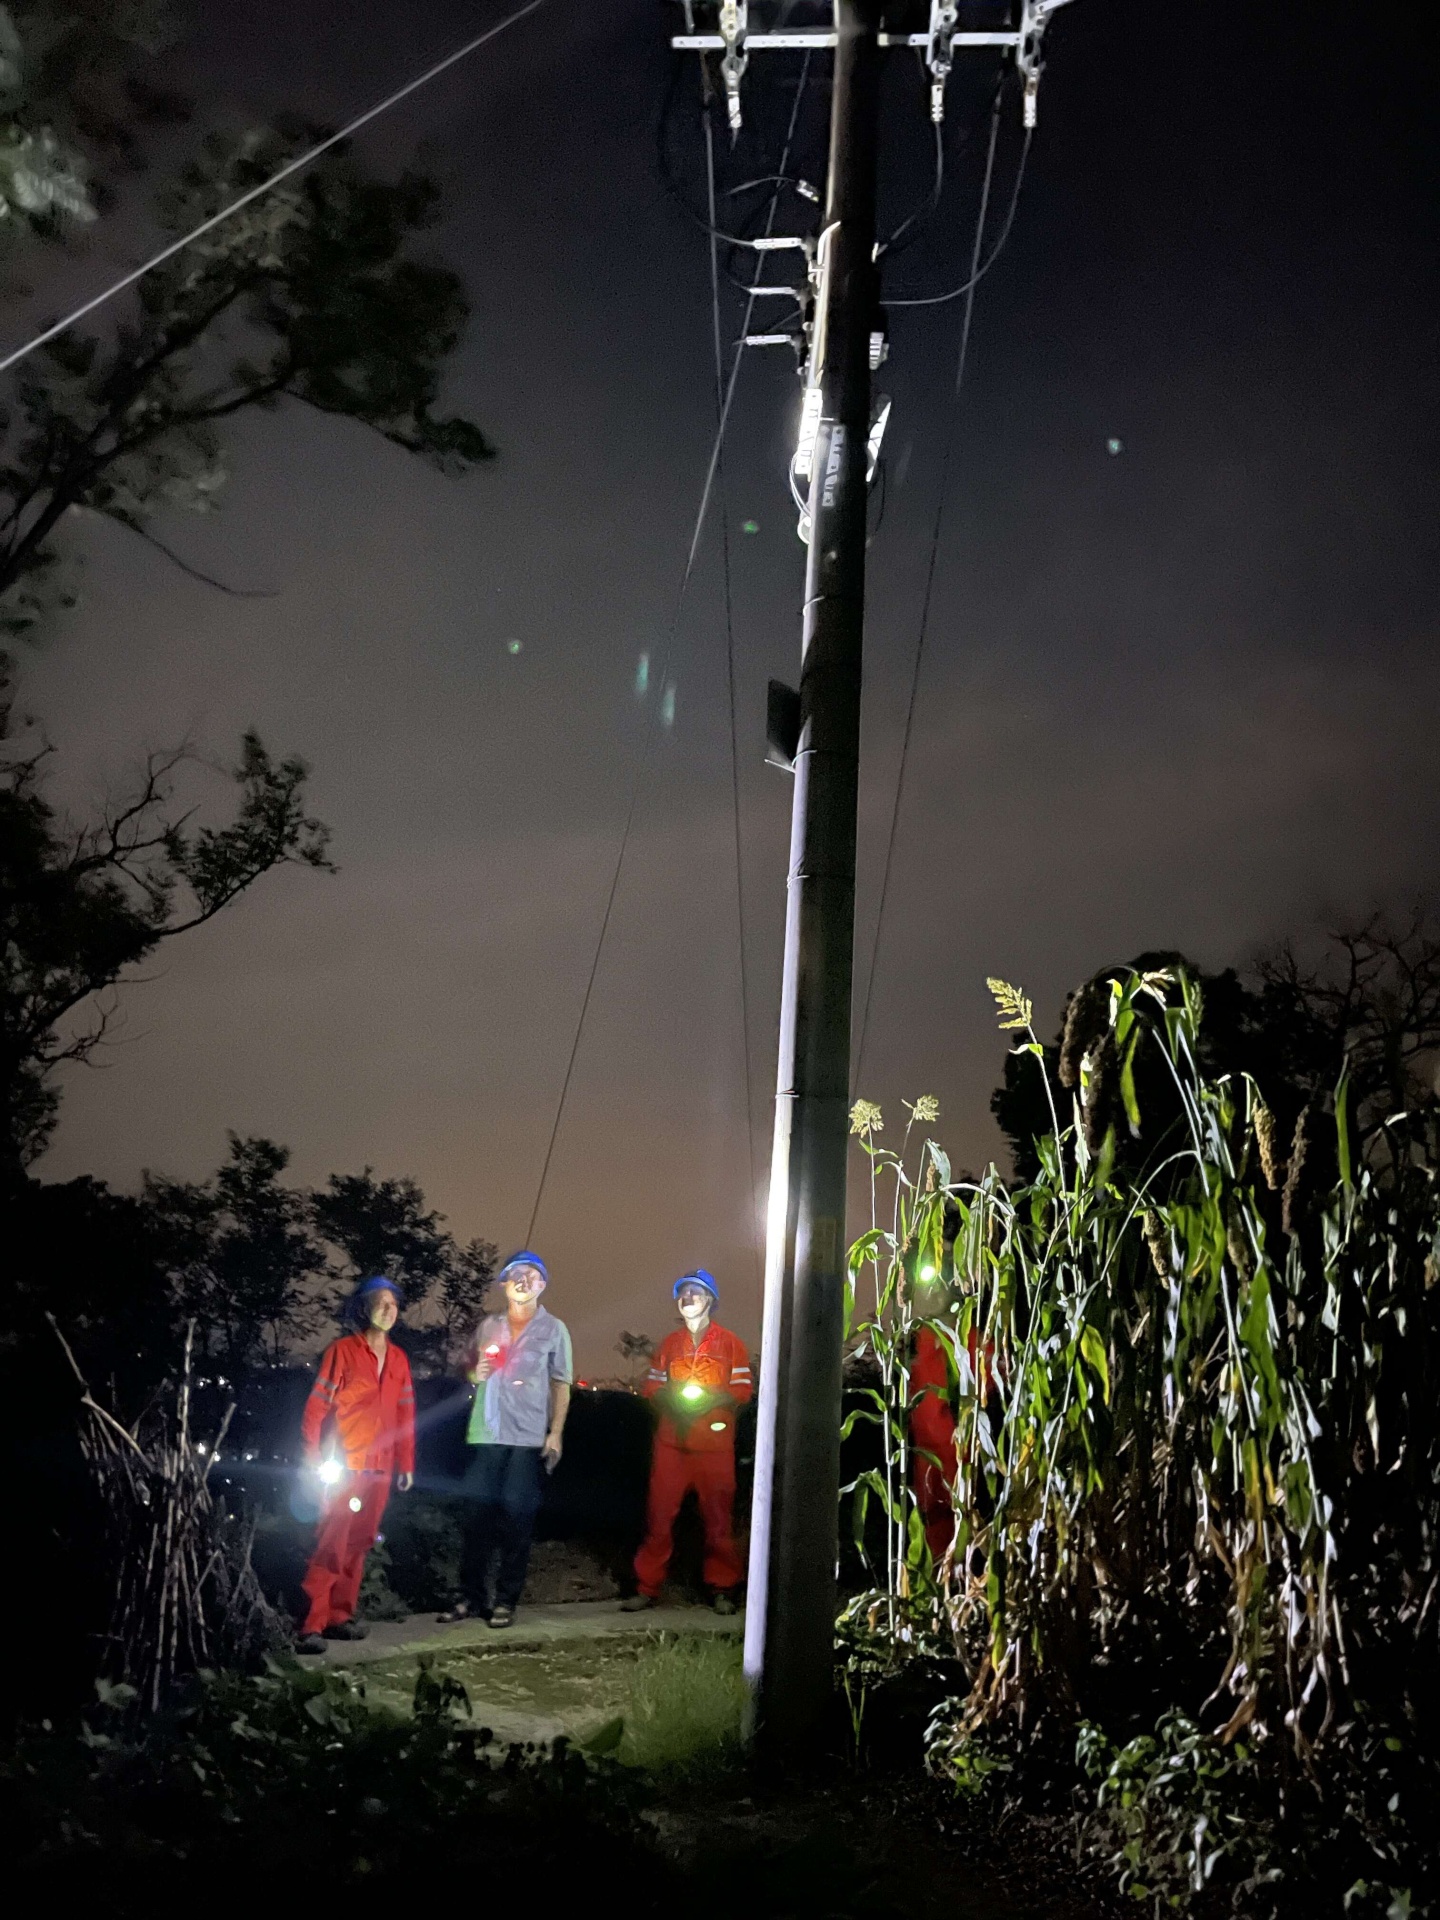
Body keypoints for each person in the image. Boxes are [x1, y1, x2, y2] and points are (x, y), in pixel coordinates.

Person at [438, 1250, 572, 1629]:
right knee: (475, 1516)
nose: (523, 1280)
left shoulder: (553, 1329)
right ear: (504, 1284)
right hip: (485, 1432)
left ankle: (506, 1600)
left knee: (517, 1519)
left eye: (532, 1275)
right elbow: (469, 1371)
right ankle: (469, 1595)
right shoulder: (488, 1326)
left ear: (542, 1285)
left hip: (527, 1438)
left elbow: (561, 1384)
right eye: (515, 1274)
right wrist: (474, 1374)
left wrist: (556, 1432)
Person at [296, 1275, 415, 1654]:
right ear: (364, 1308)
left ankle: (339, 1617)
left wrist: (406, 1463)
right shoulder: (343, 1351)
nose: (387, 1310)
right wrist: (311, 1456)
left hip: (380, 1469)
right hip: (345, 1463)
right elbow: (317, 1406)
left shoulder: (398, 1359)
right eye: (380, 1303)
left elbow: (405, 1415)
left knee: (360, 1543)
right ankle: (311, 1623)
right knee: (331, 1541)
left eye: (393, 1305)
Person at [623, 1268, 752, 1614]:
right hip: (671, 1443)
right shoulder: (669, 1345)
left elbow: (742, 1391)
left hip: (714, 1448)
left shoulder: (731, 1344)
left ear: (710, 1300)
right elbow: (652, 1387)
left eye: (695, 1293)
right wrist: (672, 1402)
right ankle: (647, 1586)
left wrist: (711, 1400)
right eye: (683, 1294)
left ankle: (722, 1587)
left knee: (718, 1519)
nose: (687, 1299)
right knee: (659, 1515)